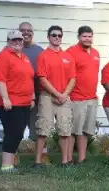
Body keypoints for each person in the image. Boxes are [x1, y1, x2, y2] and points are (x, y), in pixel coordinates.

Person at [0, 29, 35, 173]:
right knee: (13, 132)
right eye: (14, 40)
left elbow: (29, 78)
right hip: (10, 102)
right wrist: (5, 98)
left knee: (18, 132)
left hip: (24, 102)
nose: (17, 42)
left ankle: (10, 163)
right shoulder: (3, 56)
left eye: (20, 40)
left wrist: (32, 97)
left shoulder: (24, 57)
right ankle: (6, 166)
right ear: (8, 41)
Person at [34, 25, 76, 168]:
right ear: (48, 37)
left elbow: (73, 78)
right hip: (47, 96)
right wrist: (57, 94)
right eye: (54, 35)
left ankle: (65, 161)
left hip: (64, 97)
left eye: (59, 35)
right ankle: (38, 161)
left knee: (65, 130)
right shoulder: (43, 56)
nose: (56, 38)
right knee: (43, 129)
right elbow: (42, 78)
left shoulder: (68, 57)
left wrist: (64, 95)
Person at [66, 26, 100, 164]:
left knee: (86, 131)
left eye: (90, 36)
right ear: (79, 37)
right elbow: (66, 74)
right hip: (76, 98)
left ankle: (81, 158)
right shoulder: (71, 52)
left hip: (92, 98)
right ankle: (68, 159)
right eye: (84, 36)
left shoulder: (96, 53)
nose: (87, 39)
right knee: (74, 131)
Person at [18, 22, 51, 166]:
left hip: (37, 97)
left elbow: (47, 73)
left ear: (33, 32)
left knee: (39, 127)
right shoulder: (11, 49)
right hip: (16, 97)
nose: (26, 33)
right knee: (15, 128)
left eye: (29, 30)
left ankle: (43, 156)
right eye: (23, 30)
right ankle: (12, 156)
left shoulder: (40, 51)